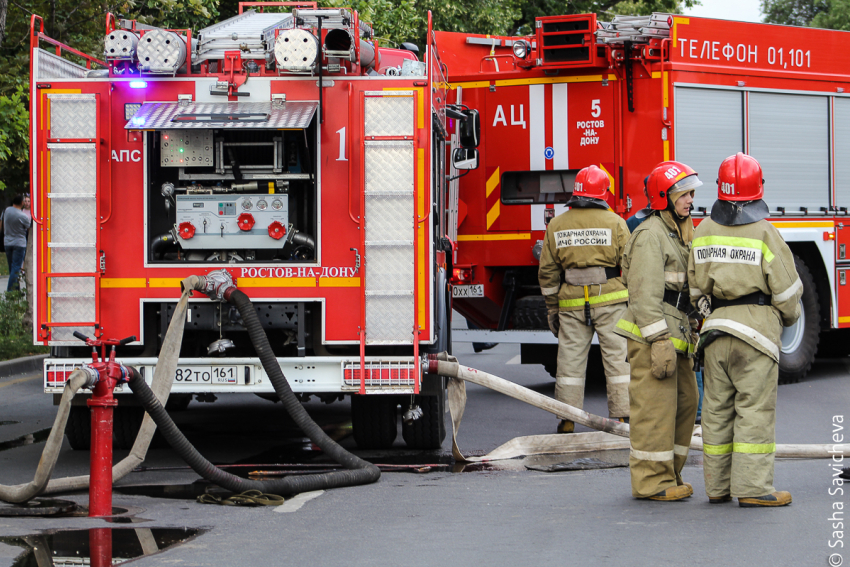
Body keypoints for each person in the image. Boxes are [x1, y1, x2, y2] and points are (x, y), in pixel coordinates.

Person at [688, 153, 802, 507]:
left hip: (715, 335)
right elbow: (786, 294)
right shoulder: (767, 233)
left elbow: (696, 290)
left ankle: (718, 488)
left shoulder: (703, 229)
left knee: (716, 412)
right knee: (753, 411)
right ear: (758, 190)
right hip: (755, 337)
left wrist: (713, 313)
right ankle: (753, 489)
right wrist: (782, 319)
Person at [614, 161, 701, 501]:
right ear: (665, 196)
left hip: (675, 334)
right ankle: (651, 483)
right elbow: (644, 294)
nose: (690, 199)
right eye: (684, 193)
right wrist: (658, 340)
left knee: (684, 404)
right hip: (654, 337)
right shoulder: (650, 235)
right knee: (654, 411)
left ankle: (670, 474)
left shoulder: (679, 228)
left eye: (692, 193)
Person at [538, 165, 630, 434]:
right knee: (617, 360)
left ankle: (567, 419)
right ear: (603, 193)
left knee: (569, 363)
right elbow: (632, 264)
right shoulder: (615, 223)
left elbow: (548, 271)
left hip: (571, 305)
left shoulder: (557, 224)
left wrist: (552, 308)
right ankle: (622, 418)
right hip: (611, 301)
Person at [0, 195, 32, 291]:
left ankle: (16, 290)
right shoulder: (22, 216)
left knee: (12, 268)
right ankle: (10, 292)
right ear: (22, 203)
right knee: (16, 268)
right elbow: (28, 228)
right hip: (19, 244)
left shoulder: (6, 211)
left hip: (7, 243)